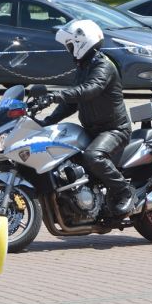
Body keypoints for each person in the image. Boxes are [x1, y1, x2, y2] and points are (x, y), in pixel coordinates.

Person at [40, 19, 134, 216]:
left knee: (93, 156)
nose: (68, 50)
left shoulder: (103, 65)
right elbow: (72, 103)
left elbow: (90, 89)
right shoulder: (84, 66)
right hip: (92, 129)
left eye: (70, 45)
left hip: (114, 130)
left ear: (82, 42)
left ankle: (124, 192)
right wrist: (47, 122)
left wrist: (57, 95)